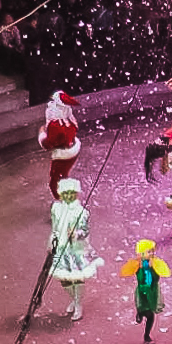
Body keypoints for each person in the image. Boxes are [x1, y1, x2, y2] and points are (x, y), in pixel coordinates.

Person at [48, 178, 104, 321]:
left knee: (77, 278)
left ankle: (78, 304)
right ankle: (75, 299)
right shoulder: (56, 209)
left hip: (76, 250)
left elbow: (85, 231)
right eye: (65, 193)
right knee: (64, 279)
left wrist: (76, 234)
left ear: (76, 194)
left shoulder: (81, 212)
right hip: (61, 248)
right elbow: (55, 228)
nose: (68, 196)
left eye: (71, 193)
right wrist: (52, 244)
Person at [119, 239, 170, 344]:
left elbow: (161, 276)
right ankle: (140, 313)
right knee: (144, 310)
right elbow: (137, 278)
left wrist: (153, 267)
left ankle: (147, 335)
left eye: (152, 251)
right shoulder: (136, 264)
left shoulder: (155, 263)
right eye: (149, 251)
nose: (152, 253)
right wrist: (140, 267)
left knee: (151, 315)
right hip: (142, 292)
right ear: (141, 253)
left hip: (153, 291)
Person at [38, 91, 81, 199]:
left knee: (54, 183)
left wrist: (42, 134)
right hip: (73, 151)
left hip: (63, 156)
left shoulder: (55, 125)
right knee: (63, 175)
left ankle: (64, 202)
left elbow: (48, 144)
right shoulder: (69, 119)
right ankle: (68, 196)